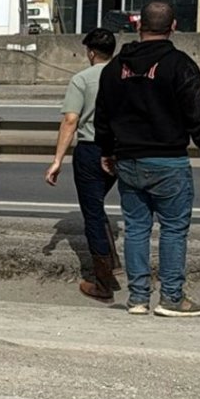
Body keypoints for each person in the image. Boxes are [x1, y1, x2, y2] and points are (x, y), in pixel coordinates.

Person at [94, 0, 200, 317]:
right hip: (168, 160)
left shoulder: (114, 68)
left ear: (138, 27)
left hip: (127, 159)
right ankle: (171, 298)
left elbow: (103, 116)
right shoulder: (180, 64)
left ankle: (138, 298)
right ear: (173, 27)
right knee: (174, 229)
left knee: (136, 228)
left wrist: (106, 150)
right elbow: (198, 112)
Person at [44, 28, 119, 300]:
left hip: (90, 150)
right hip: (121, 150)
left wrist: (57, 160)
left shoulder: (82, 80)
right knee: (102, 207)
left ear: (90, 52)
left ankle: (102, 282)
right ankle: (115, 264)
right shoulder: (125, 75)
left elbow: (71, 121)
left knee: (93, 213)